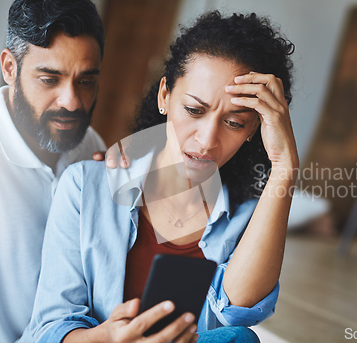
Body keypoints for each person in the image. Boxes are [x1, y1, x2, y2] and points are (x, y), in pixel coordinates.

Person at [22, 10, 298, 343]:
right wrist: (108, 339)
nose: (207, 140)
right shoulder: (85, 186)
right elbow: (48, 330)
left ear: (254, 128)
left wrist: (284, 168)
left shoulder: (246, 219)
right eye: (194, 110)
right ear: (165, 95)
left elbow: (240, 310)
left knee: (241, 338)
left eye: (235, 122)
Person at [0, 0, 108, 341]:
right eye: (50, 79)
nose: (72, 102)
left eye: (86, 81)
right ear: (10, 67)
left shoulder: (91, 145)